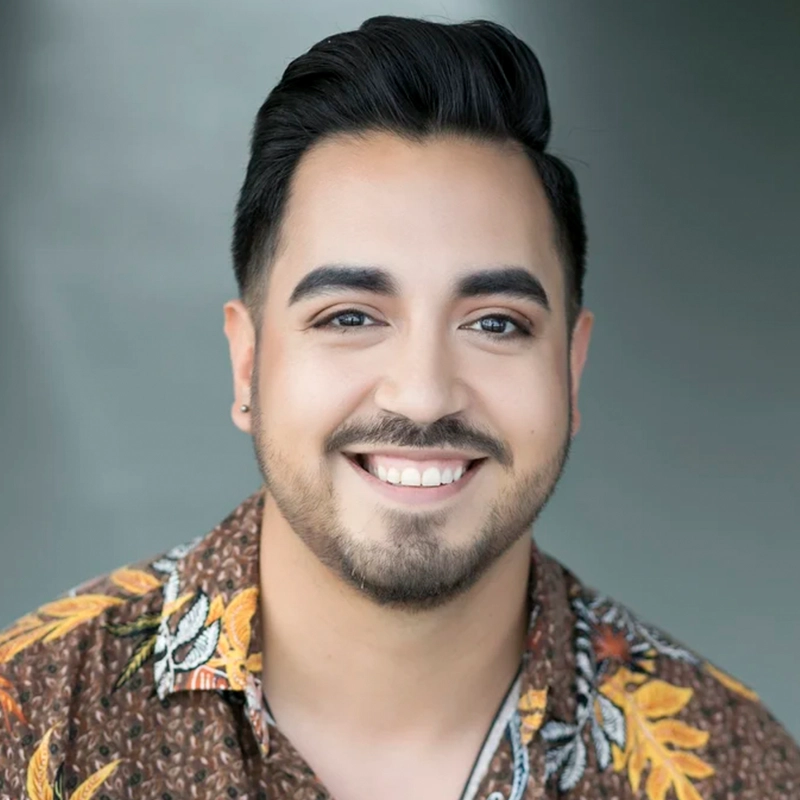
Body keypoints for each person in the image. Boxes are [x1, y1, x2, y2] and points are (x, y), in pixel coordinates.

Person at [0, 14, 797, 800]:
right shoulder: (28, 723)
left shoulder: (740, 772)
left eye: (495, 323)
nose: (422, 393)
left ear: (571, 368)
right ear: (248, 363)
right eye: (350, 316)